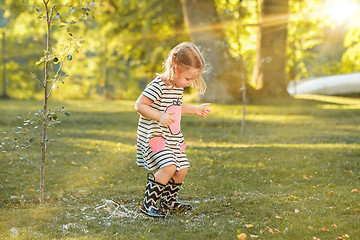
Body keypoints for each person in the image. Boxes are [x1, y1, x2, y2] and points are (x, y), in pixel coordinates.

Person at [135, 42, 211, 218]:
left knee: (182, 168)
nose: (190, 83)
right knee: (169, 167)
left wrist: (196, 109)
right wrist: (159, 116)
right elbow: (139, 105)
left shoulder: (176, 86)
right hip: (155, 137)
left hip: (172, 138)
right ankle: (149, 204)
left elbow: (176, 105)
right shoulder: (158, 85)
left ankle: (169, 201)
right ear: (175, 68)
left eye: (193, 79)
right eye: (188, 78)